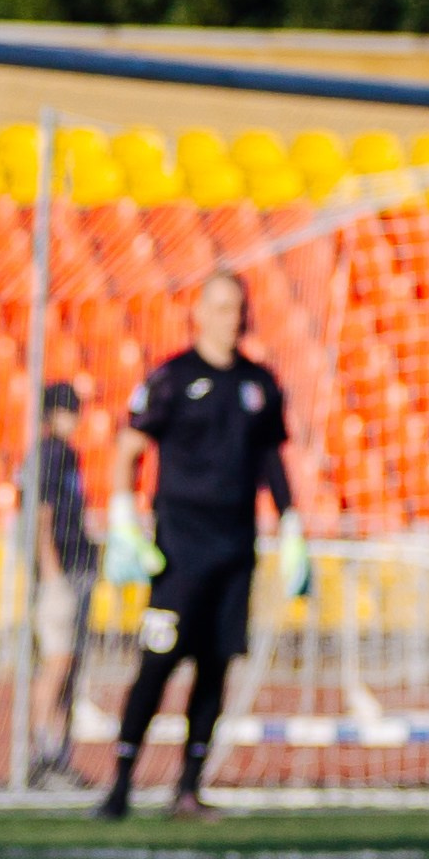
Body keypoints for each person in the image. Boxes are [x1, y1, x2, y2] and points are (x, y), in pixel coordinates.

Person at [94, 272, 308, 821]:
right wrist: (123, 517)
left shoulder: (260, 384)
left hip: (235, 546)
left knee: (215, 667)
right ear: (199, 313)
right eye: (218, 307)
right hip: (180, 547)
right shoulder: (172, 377)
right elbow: (129, 447)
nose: (229, 318)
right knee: (158, 662)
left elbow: (271, 460)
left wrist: (290, 524)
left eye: (237, 308)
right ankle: (120, 782)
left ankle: (188, 788)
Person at [26, 381, 97, 786]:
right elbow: (42, 514)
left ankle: (60, 755)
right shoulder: (50, 454)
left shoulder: (68, 455)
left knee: (70, 668)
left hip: (76, 569)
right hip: (60, 573)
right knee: (57, 662)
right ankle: (41, 754)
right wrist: (50, 569)